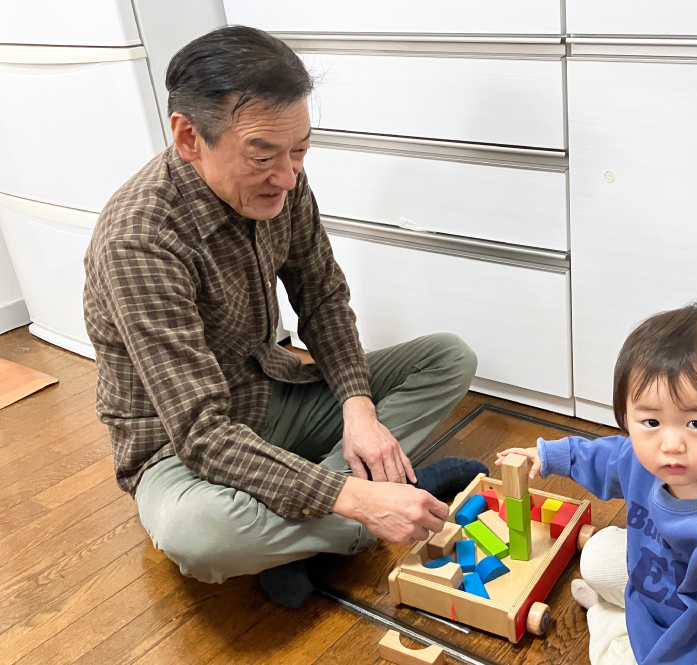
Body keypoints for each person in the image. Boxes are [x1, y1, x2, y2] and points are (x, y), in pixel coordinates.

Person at [83, 26, 486, 609]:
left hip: (268, 391)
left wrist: (358, 409)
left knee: (448, 358)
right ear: (189, 137)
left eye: (300, 150)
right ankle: (385, 498)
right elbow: (202, 433)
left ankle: (313, 523)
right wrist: (354, 499)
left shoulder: (283, 180)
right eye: (264, 155)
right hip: (180, 446)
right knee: (200, 536)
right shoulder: (140, 240)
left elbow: (321, 295)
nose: (288, 176)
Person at [497, 304, 697, 664]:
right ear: (626, 416)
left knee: (611, 657)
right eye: (651, 422)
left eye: (695, 424)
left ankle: (606, 619)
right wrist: (550, 455)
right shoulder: (645, 458)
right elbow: (608, 457)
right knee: (595, 554)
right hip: (654, 591)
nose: (670, 445)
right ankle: (617, 615)